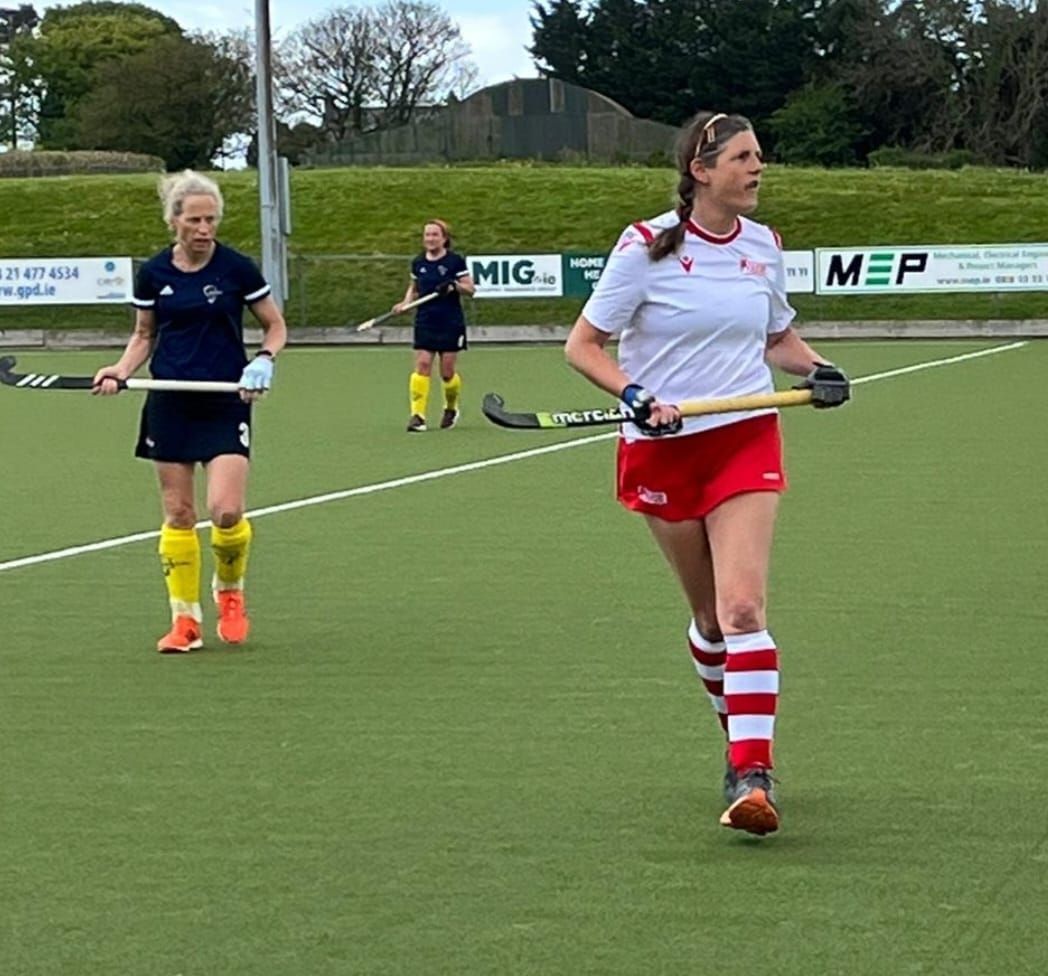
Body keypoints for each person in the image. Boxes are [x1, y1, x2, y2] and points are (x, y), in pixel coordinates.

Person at [564, 111, 850, 836]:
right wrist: (635, 394)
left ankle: (754, 774)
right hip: (663, 449)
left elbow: (776, 336)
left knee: (744, 608)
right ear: (701, 170)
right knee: (710, 621)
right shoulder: (644, 247)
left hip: (744, 437)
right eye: (744, 158)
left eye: (759, 156)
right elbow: (584, 346)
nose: (758, 168)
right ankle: (735, 737)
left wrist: (818, 368)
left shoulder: (763, 245)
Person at [92, 170, 287, 654]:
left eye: (211, 219)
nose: (205, 229)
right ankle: (185, 622)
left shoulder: (236, 268)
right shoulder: (154, 273)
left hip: (225, 398)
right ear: (173, 221)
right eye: (195, 220)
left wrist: (264, 360)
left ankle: (230, 594)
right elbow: (144, 334)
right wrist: (119, 370)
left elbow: (275, 326)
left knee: (226, 510)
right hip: (170, 400)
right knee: (179, 512)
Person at [393, 218, 475, 432]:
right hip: (425, 320)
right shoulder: (418, 262)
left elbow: (470, 289)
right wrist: (405, 303)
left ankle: (451, 408)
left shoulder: (454, 261)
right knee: (422, 365)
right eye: (427, 235)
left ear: (444, 238)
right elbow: (414, 288)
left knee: (447, 372)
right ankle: (417, 416)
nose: (430, 238)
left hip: (450, 321)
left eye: (434, 235)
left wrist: (454, 286)